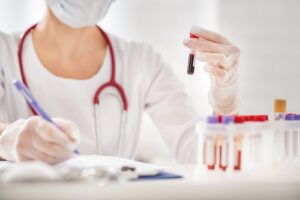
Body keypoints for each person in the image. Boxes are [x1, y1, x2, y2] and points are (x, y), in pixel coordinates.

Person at [0, 0, 240, 164]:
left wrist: (224, 104)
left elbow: (202, 157)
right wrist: (8, 138)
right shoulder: (4, 52)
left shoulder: (141, 62)